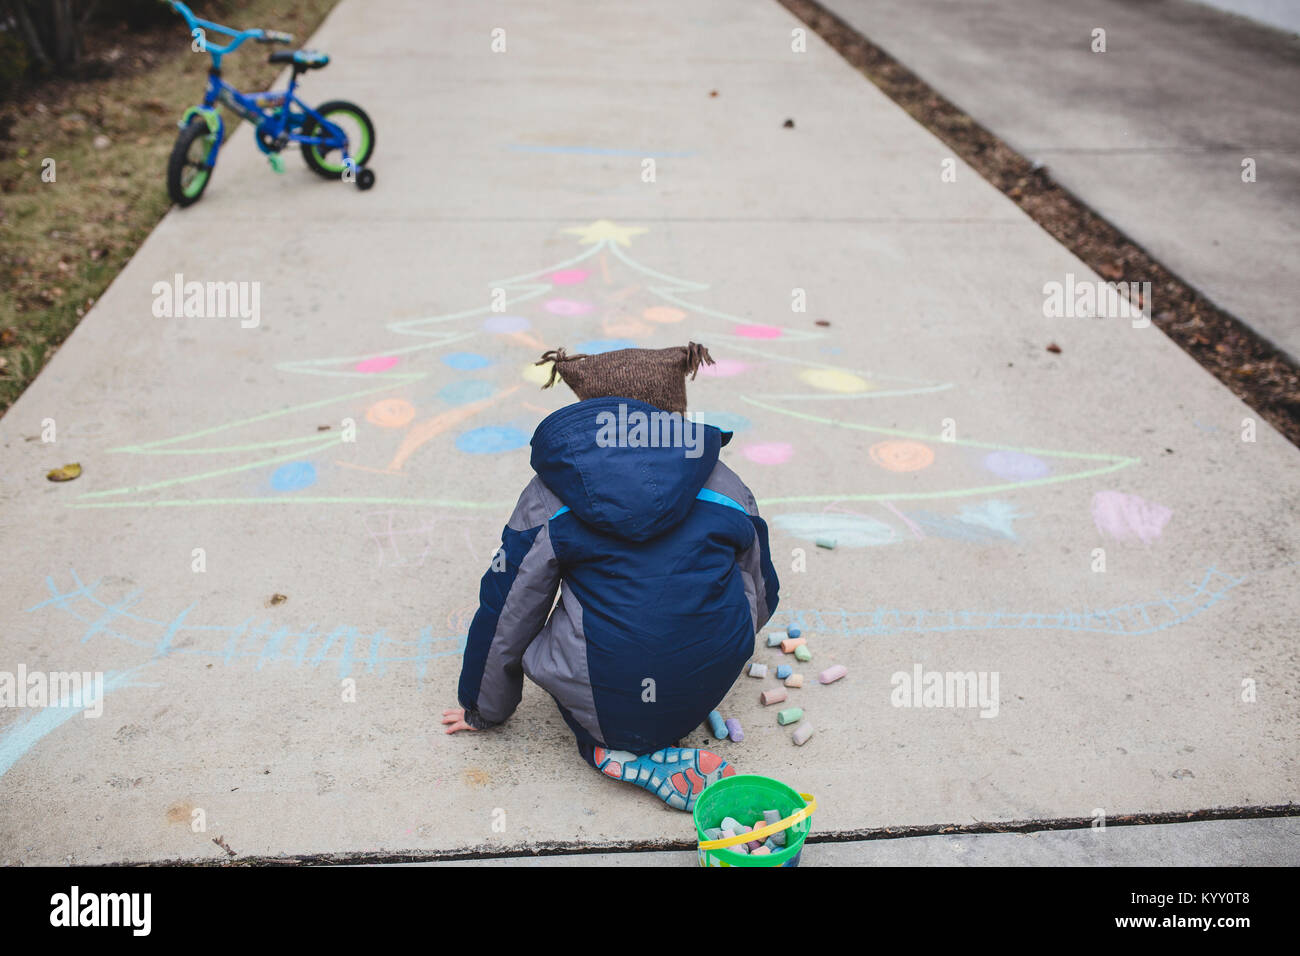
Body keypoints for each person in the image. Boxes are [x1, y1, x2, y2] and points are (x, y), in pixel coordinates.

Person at [443, 343, 779, 811]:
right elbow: (761, 590)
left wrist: (484, 708)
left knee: (579, 622)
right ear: (675, 414)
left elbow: (510, 608)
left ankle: (611, 751)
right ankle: (671, 705)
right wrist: (719, 642)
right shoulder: (725, 482)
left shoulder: (550, 497)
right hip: (708, 679)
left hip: (611, 708)